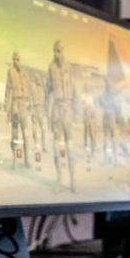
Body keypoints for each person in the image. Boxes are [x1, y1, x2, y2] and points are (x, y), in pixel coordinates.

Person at [46, 40, 76, 193]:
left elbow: (75, 90)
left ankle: (72, 181)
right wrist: (47, 113)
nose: (58, 54)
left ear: (64, 51)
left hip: (68, 110)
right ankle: (59, 179)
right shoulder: (51, 68)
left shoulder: (69, 67)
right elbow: (47, 92)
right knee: (56, 148)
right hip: (57, 110)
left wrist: (75, 112)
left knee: (70, 149)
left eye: (60, 50)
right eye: (56, 51)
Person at [4, 51, 32, 169]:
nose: (16, 62)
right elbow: (7, 90)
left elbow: (29, 90)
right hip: (15, 105)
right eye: (14, 59)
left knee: (26, 135)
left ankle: (26, 160)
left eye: (18, 59)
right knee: (14, 135)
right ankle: (15, 160)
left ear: (21, 60)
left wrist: (29, 106)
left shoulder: (25, 74)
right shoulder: (10, 72)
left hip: (23, 106)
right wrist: (7, 109)